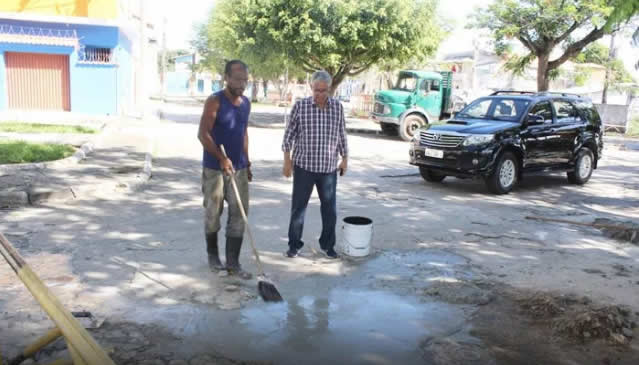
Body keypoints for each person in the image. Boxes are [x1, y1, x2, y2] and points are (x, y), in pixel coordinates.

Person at [281, 70, 348, 259]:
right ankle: (294, 245)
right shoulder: (300, 107)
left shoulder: (337, 108)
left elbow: (341, 134)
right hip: (304, 167)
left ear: (329, 89)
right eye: (316, 90)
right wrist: (287, 161)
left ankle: (328, 245)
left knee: (330, 210)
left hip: (328, 169)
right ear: (311, 88)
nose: (320, 94)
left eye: (324, 90)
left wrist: (345, 158)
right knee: (298, 208)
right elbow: (289, 134)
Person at [198, 59, 252, 278]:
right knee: (213, 213)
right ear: (226, 78)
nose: (241, 84)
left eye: (245, 80)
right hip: (214, 168)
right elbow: (203, 134)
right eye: (237, 79)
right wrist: (220, 157)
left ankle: (233, 263)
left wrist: (247, 161)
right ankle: (213, 257)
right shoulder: (215, 101)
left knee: (240, 213)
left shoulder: (246, 102)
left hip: (238, 167)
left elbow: (244, 133)